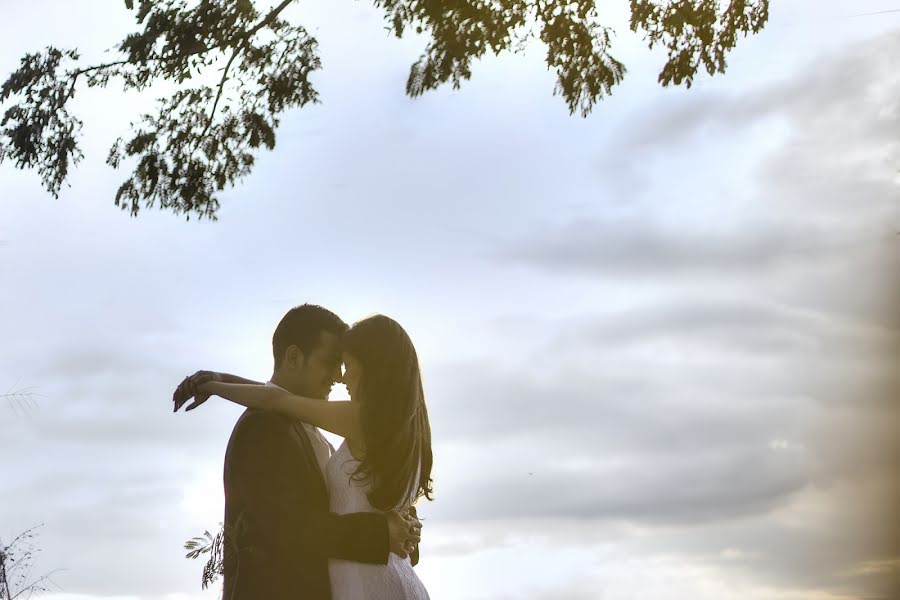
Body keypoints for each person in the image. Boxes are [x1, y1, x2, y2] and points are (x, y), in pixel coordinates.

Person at [174, 306, 433, 600]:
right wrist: (383, 533)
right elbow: (288, 530)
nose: (339, 376)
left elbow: (277, 399)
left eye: (345, 365)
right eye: (332, 362)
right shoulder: (263, 427)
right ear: (295, 357)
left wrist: (397, 530)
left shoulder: (335, 426)